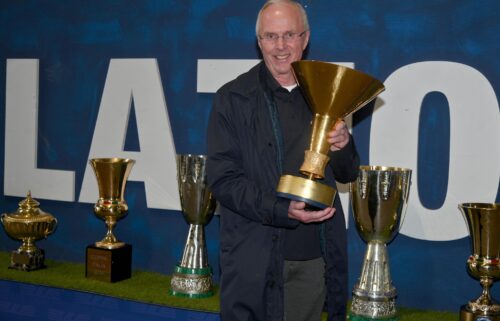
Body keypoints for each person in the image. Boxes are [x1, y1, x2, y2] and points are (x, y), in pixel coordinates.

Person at [206, 1, 360, 320]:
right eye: (270, 36)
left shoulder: (328, 91)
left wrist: (344, 145)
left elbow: (347, 173)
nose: (280, 46)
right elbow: (222, 180)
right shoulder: (232, 98)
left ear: (305, 38)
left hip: (312, 258)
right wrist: (280, 209)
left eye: (289, 34)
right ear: (259, 41)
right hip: (253, 258)